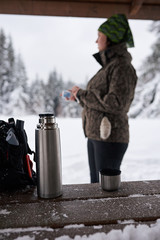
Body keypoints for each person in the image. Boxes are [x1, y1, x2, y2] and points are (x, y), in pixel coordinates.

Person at [67, 14, 137, 183]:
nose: (96, 41)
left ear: (111, 39)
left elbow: (116, 103)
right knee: (97, 187)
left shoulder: (121, 67)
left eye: (99, 36)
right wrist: (78, 98)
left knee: (105, 193)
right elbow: (101, 101)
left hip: (110, 138)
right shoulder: (109, 67)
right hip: (97, 136)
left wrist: (83, 94)